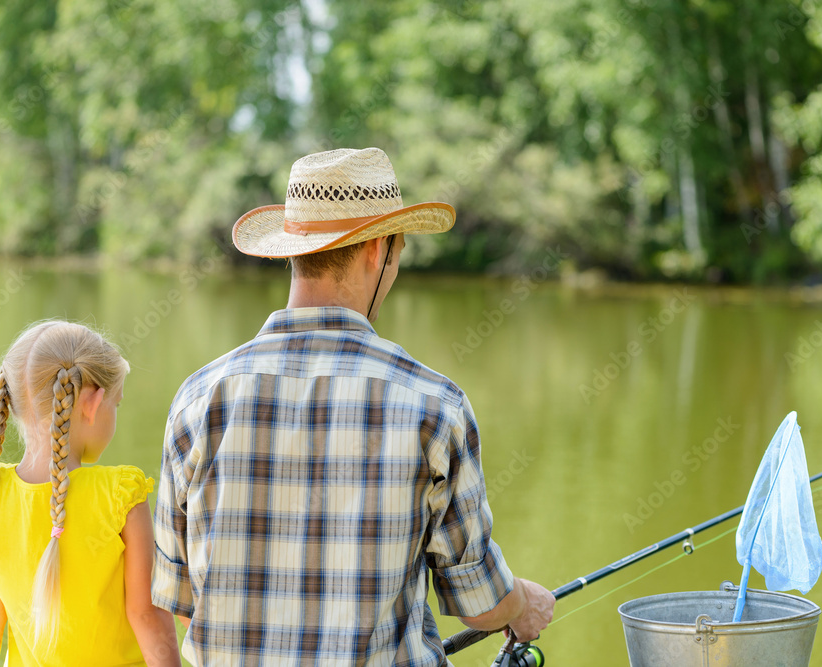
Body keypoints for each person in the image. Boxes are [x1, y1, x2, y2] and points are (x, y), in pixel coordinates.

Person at [152, 148, 554, 665]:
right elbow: (478, 603)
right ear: (377, 250)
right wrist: (521, 603)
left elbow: (181, 597)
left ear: (292, 250)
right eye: (400, 247)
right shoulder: (433, 405)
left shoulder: (198, 399)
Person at [0, 320, 180, 667]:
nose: (114, 414)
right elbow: (146, 615)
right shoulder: (119, 497)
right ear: (91, 402)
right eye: (115, 404)